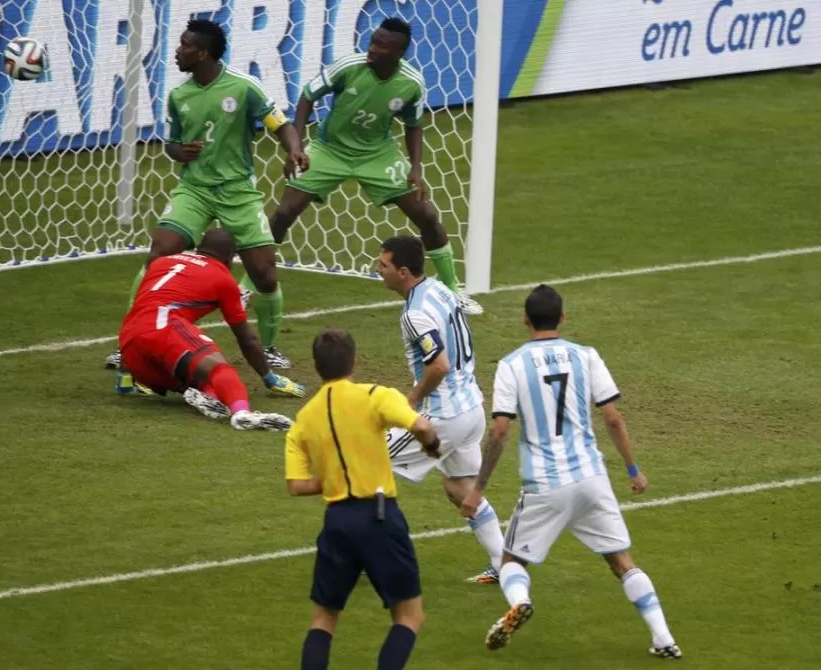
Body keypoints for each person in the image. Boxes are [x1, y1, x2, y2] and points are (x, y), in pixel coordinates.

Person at [461, 284, 682, 659]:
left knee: (513, 560)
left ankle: (520, 601)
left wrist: (478, 489)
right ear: (562, 318)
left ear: (525, 320)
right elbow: (612, 417)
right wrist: (633, 469)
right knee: (621, 561)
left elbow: (499, 431)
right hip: (592, 479)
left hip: (545, 483)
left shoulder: (512, 365)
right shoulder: (587, 356)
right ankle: (664, 639)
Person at [106, 18, 309, 372]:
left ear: (203, 53)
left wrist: (293, 150)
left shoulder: (245, 88)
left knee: (264, 275)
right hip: (195, 189)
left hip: (238, 192)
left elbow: (283, 125)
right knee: (159, 255)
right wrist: (178, 151)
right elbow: (171, 142)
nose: (178, 51)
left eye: (185, 45)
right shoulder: (178, 95)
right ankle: (129, 343)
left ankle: (271, 348)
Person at [269, 17, 482, 316]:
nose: (373, 49)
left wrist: (416, 168)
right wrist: (298, 146)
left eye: (382, 45)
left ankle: (452, 290)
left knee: (427, 215)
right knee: (284, 212)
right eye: (373, 41)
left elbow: (413, 125)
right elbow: (307, 95)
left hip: (377, 155)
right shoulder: (349, 66)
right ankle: (250, 284)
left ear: (398, 52)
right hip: (329, 150)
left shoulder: (411, 83)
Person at [286, 328, 441, 670]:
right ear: (354, 361)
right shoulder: (375, 395)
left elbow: (296, 485)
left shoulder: (304, 419)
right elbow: (422, 426)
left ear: (315, 366)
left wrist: (332, 479)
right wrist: (431, 446)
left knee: (324, 618)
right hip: (379, 515)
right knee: (408, 616)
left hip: (337, 520)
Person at [376, 236, 505, 584]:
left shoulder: (415, 313)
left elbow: (439, 365)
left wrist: (414, 398)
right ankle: (505, 564)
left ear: (403, 272)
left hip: (442, 416)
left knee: (368, 463)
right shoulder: (441, 290)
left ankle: (373, 555)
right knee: (459, 487)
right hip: (471, 409)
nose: (377, 269)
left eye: (383, 265)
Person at [119, 229, 306, 431]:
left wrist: (125, 376)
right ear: (230, 256)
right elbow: (247, 339)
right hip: (163, 327)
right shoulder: (222, 278)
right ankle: (242, 414)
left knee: (204, 380)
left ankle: (208, 396)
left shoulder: (162, 262)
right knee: (219, 369)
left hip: (131, 347)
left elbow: (140, 307)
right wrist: (269, 377)